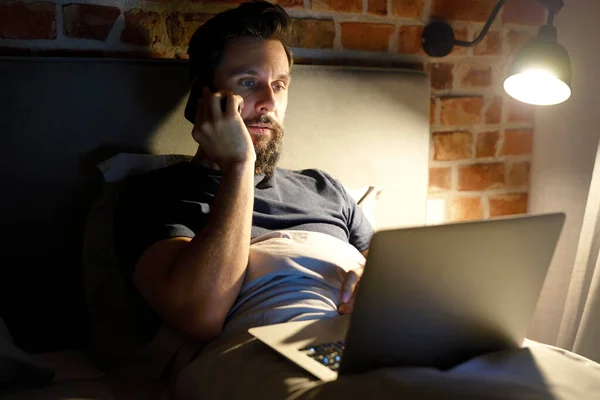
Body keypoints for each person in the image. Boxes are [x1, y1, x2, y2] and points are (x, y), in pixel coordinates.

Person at [112, 1, 373, 392]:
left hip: (352, 343)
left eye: (279, 85)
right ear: (204, 97)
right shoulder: (154, 195)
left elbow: (389, 270)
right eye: (248, 83)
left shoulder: (324, 189)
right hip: (255, 355)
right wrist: (238, 166)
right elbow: (200, 315)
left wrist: (371, 283)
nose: (269, 101)